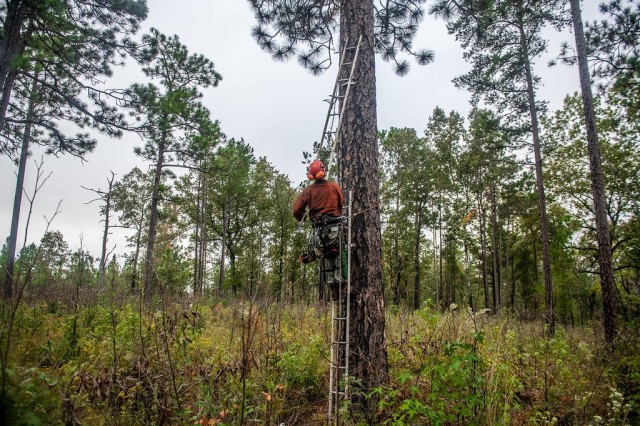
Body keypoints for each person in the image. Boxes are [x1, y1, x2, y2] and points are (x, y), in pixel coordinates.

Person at [293, 160, 346, 293]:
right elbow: (341, 204)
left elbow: (296, 211)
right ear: (323, 172)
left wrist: (304, 218)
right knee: (338, 253)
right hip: (334, 228)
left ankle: (332, 287)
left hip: (318, 232)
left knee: (327, 255)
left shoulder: (308, 191)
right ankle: (342, 284)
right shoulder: (334, 187)